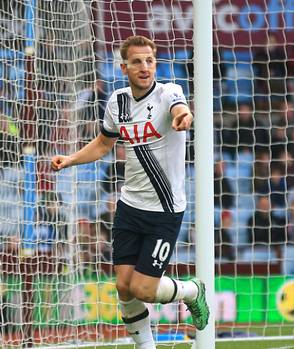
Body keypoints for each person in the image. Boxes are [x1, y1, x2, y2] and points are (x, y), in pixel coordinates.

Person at [51, 36, 209, 348]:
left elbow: (181, 110)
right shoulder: (117, 102)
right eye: (136, 61)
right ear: (124, 67)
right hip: (129, 206)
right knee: (123, 286)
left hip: (164, 210)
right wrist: (70, 159)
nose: (144, 67)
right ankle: (144, 345)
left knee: (144, 290)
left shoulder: (169, 93)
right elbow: (104, 143)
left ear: (156, 64)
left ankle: (192, 291)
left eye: (149, 61)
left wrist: (184, 117)